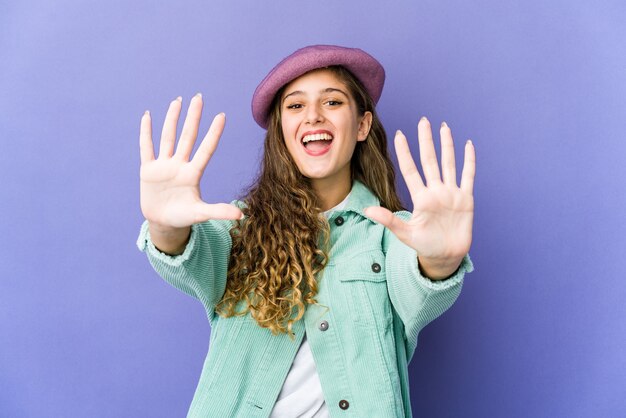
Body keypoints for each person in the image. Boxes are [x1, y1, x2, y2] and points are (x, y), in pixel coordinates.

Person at [137, 45, 475, 417]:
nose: (313, 116)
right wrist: (165, 227)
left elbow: (417, 285)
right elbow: (190, 254)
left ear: (362, 125)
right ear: (282, 130)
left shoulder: (392, 234)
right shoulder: (241, 227)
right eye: (295, 106)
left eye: (332, 102)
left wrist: (439, 263)